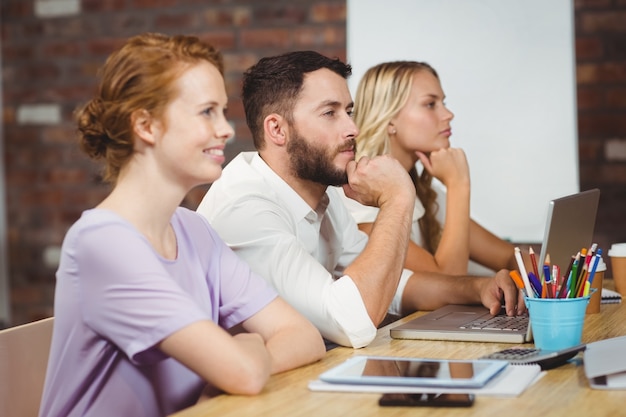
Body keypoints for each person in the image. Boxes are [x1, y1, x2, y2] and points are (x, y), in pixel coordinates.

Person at [38, 33, 325, 417]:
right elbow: (243, 374)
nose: (226, 129)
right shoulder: (102, 244)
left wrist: (232, 368)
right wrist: (246, 352)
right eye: (207, 111)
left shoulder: (195, 231)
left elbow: (304, 338)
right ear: (146, 125)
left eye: (223, 111)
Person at [196, 51, 524, 349]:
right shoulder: (245, 208)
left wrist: (477, 289)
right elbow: (351, 323)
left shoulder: (325, 195)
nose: (353, 128)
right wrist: (397, 198)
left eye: (349, 112)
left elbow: (393, 285)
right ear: (278, 130)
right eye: (330, 113)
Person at [344, 60, 517, 276]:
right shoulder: (358, 196)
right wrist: (458, 185)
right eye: (430, 104)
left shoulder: (426, 194)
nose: (448, 114)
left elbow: (510, 256)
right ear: (390, 120)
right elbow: (450, 283)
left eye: (443, 102)